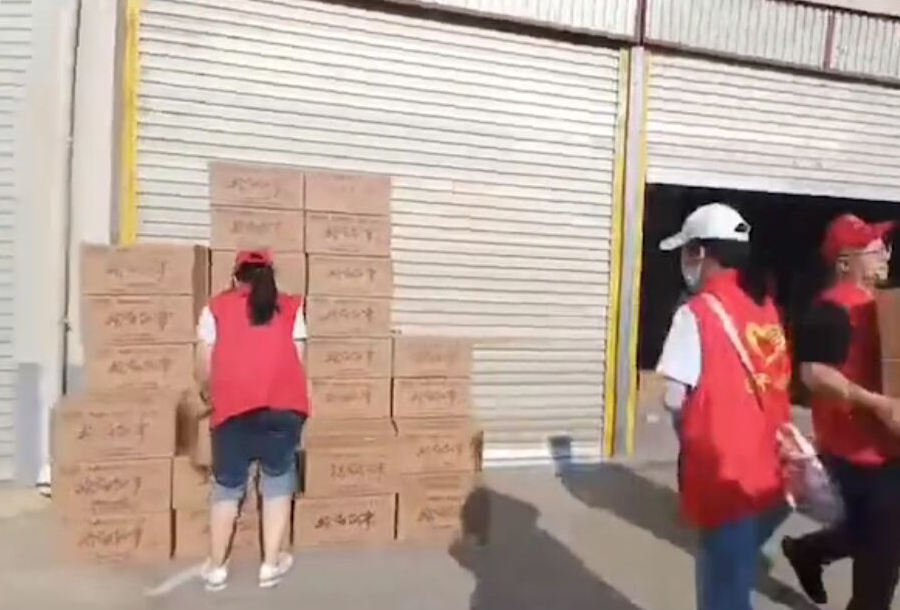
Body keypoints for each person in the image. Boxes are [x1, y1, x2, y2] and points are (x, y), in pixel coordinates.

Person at [656, 203, 792, 610]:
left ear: (700, 252)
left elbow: (673, 398)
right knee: (737, 574)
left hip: (723, 478)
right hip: (771, 471)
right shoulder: (765, 306)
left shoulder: (695, 313)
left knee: (723, 593)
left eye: (686, 251)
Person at [783, 214, 900, 610]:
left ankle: (808, 552)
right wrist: (879, 404)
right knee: (879, 570)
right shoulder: (833, 309)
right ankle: (811, 554)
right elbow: (813, 374)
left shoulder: (880, 303)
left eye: (884, 247)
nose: (885, 255)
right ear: (845, 261)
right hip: (860, 454)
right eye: (874, 249)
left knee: (875, 536)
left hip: (885, 446)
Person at [196, 249, 310, 592]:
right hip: (284, 408)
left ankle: (216, 568)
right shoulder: (292, 307)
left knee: (228, 486)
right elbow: (298, 359)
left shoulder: (216, 307)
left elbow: (203, 363)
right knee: (277, 480)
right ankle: (270, 566)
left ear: (236, 277)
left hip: (233, 408)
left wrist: (208, 392)